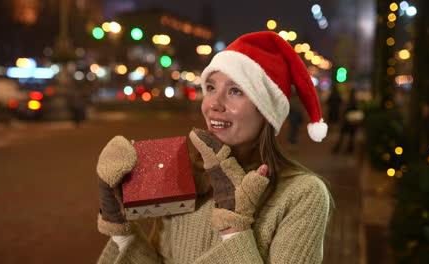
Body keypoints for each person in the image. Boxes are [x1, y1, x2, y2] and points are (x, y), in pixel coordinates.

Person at [95, 31, 332, 263]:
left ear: (266, 110)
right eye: (210, 88)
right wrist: (118, 226)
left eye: (235, 91)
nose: (214, 104)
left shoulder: (303, 194)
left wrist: (233, 229)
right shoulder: (183, 175)